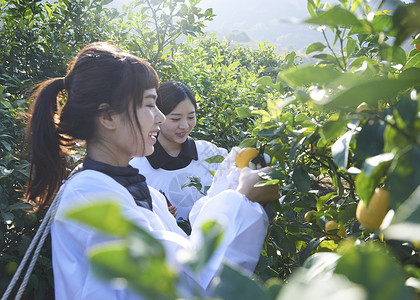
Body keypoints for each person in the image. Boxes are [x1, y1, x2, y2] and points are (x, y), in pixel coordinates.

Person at [25, 41, 279, 299]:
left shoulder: (127, 187)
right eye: (149, 105)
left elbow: (187, 254)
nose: (159, 117)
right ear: (108, 117)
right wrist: (243, 199)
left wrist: (232, 186)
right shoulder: (91, 197)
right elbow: (177, 284)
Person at [130, 81, 228, 224]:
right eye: (175, 119)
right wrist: (157, 217)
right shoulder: (138, 169)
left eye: (191, 117)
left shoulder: (210, 153)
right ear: (157, 117)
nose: (185, 126)